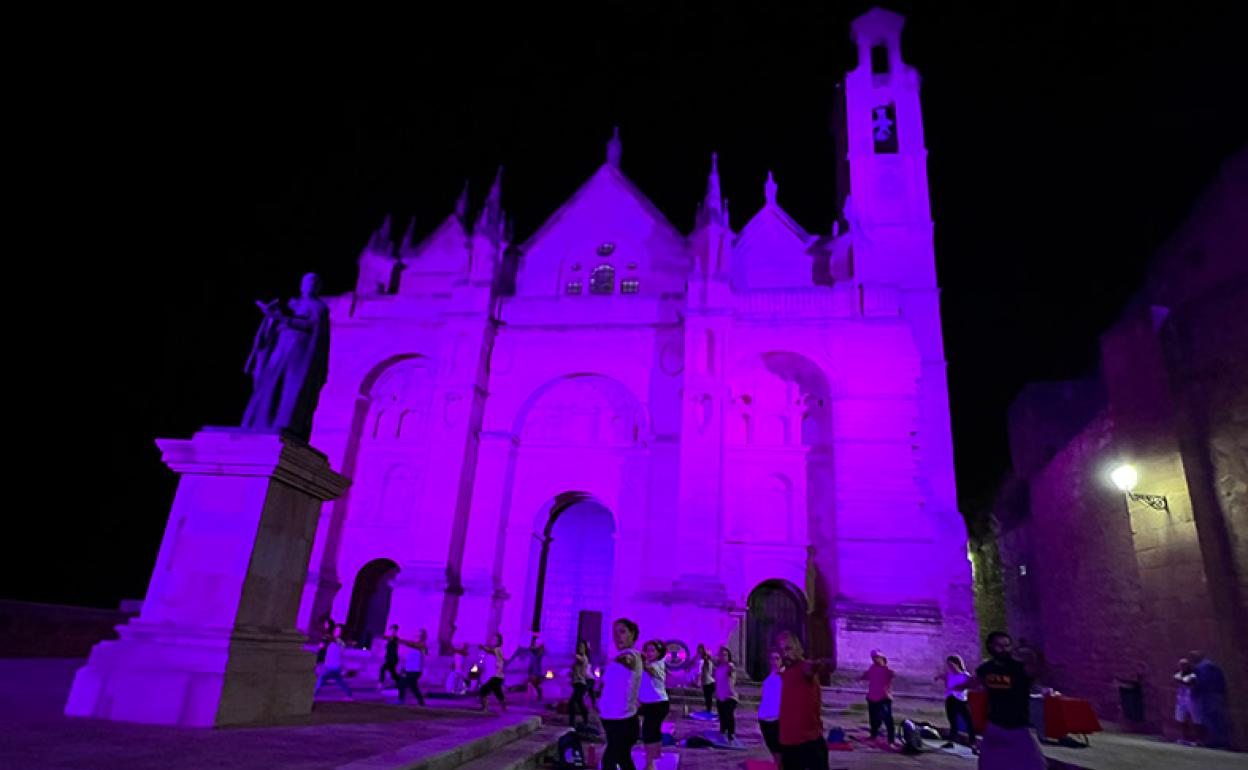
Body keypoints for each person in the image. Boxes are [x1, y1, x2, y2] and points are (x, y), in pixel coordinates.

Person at [242, 272, 331, 441]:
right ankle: (262, 421)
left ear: (318, 287)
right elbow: (274, 329)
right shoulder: (294, 305)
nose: (310, 285)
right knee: (270, 385)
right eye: (306, 282)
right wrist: (272, 318)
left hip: (300, 353)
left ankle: (286, 424)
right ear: (301, 285)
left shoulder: (319, 307)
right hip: (281, 349)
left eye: (313, 282)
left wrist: (284, 319)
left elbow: (314, 325)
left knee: (291, 387)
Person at [965, 631, 1045, 770]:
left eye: (1007, 645)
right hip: (995, 724)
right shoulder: (986, 669)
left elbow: (1037, 673)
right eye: (1000, 646)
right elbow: (974, 682)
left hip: (1019, 725)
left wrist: (1032, 661)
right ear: (991, 646)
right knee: (991, 765)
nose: (1004, 649)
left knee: (1033, 765)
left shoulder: (1019, 668)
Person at [776, 630, 832, 770]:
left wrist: (818, 664)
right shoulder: (784, 673)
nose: (785, 654)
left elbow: (812, 667)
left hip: (809, 741)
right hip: (788, 742)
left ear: (797, 648)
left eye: (788, 648)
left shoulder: (803, 668)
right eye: (781, 650)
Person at [599, 617, 643, 770]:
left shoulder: (630, 656)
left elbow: (628, 660)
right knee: (623, 759)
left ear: (633, 634)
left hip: (622, 720)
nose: (618, 636)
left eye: (622, 632)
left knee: (610, 761)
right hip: (615, 718)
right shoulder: (625, 656)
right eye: (615, 633)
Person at [639, 639, 670, 770]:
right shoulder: (647, 664)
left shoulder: (659, 664)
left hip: (658, 703)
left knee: (648, 731)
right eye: (647, 650)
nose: (649, 653)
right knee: (654, 730)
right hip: (648, 703)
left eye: (652, 651)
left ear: (659, 653)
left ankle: (650, 763)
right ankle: (655, 755)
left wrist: (640, 658)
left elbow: (649, 669)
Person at [935, 654, 976, 750]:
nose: (950, 667)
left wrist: (959, 687)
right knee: (953, 722)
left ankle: (972, 742)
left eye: (951, 664)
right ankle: (951, 741)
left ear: (957, 664)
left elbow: (968, 686)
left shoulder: (965, 675)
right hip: (951, 699)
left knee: (969, 721)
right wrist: (942, 679)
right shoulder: (949, 675)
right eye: (948, 665)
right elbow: (948, 686)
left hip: (962, 700)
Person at [1189, 650, 1228, 748]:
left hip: (1207, 695)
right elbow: (1221, 679)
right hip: (1217, 694)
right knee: (1218, 718)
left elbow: (1201, 681)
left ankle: (1214, 742)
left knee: (1209, 719)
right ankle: (1222, 741)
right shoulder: (1213, 665)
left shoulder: (1200, 667)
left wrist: (1194, 691)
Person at [860, 650, 896, 747]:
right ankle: (873, 735)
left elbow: (892, 675)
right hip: (872, 697)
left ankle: (891, 740)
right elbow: (866, 675)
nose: (875, 659)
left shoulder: (886, 670)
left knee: (888, 719)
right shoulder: (872, 668)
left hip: (884, 698)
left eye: (877, 657)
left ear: (882, 658)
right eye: (873, 658)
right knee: (873, 718)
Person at [757, 649, 785, 769]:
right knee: (774, 750)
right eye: (771, 658)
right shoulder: (770, 676)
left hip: (777, 719)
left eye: (777, 658)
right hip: (765, 719)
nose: (774, 661)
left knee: (781, 751)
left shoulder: (785, 676)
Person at [314, 624, 353, 699]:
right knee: (340, 682)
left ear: (342, 632)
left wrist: (325, 636)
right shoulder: (331, 641)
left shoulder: (341, 642)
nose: (337, 632)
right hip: (329, 665)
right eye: (336, 630)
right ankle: (349, 695)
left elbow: (336, 642)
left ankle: (313, 695)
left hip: (334, 666)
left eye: (339, 630)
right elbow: (324, 649)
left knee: (321, 680)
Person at [715, 646, 741, 746]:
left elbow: (731, 671)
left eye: (725, 655)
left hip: (730, 696)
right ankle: (723, 732)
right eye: (721, 655)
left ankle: (731, 734)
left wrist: (730, 669)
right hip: (720, 696)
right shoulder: (719, 668)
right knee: (722, 716)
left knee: (729, 714)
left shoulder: (730, 666)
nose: (723, 657)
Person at [1173, 657, 1201, 745]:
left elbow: (1189, 682)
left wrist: (1182, 680)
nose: (1182, 667)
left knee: (1195, 720)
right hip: (1181, 699)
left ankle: (1198, 740)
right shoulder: (1178, 674)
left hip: (1191, 699)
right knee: (1181, 720)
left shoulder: (1192, 674)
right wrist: (1182, 680)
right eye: (1181, 665)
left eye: (1184, 665)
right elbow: (1176, 680)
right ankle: (1184, 738)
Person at [397, 629, 428, 706]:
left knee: (403, 684)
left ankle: (401, 700)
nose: (418, 637)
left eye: (420, 635)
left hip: (416, 670)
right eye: (417, 635)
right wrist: (403, 668)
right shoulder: (411, 647)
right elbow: (408, 658)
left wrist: (403, 641)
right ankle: (421, 702)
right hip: (408, 669)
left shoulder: (423, 646)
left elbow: (422, 650)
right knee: (413, 686)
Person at [478, 632, 507, 713]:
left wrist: (483, 647)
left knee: (484, 691)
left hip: (497, 677)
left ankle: (485, 708)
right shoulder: (491, 651)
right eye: (493, 639)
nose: (493, 641)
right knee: (498, 692)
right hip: (493, 676)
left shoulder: (498, 650)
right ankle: (503, 707)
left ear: (499, 641)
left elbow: (491, 651)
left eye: (496, 640)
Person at [569, 639, 593, 727]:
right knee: (580, 703)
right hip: (576, 683)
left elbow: (579, 658)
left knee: (572, 702)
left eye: (582, 647)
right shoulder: (578, 659)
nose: (580, 648)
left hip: (581, 684)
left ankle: (572, 723)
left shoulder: (584, 658)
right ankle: (585, 719)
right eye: (579, 647)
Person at [526, 633, 547, 703]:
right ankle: (537, 696)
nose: (535, 643)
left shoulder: (540, 651)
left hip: (537, 670)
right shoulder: (534, 650)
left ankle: (537, 697)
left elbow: (539, 658)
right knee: (534, 684)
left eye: (537, 642)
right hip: (533, 669)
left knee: (534, 683)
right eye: (535, 642)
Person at [696, 643, 716, 714]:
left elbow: (699, 673)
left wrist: (698, 682)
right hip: (711, 682)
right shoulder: (710, 662)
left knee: (708, 697)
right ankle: (708, 710)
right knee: (708, 697)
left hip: (707, 682)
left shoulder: (702, 662)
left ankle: (708, 710)